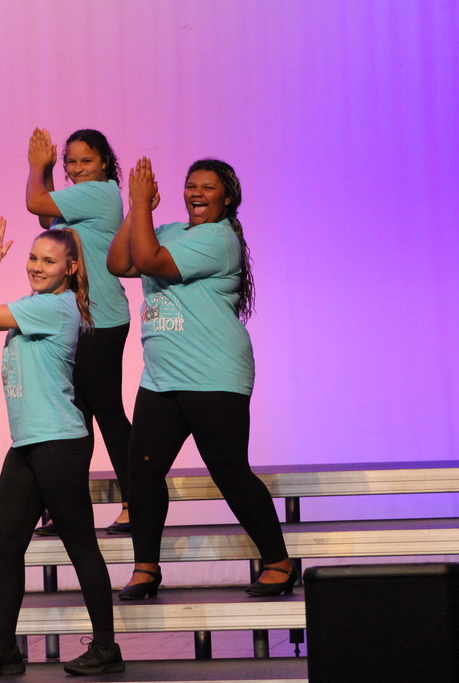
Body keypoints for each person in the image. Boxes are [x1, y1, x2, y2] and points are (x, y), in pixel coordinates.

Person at [106, 157, 296, 600]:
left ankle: (280, 563)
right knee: (143, 470)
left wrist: (137, 202)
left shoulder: (219, 238)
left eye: (208, 188)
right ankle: (146, 569)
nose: (197, 193)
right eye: (191, 185)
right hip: (162, 378)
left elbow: (149, 259)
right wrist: (139, 212)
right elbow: (120, 263)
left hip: (213, 375)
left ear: (227, 198)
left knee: (228, 471)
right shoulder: (171, 231)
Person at [0, 219, 123, 677]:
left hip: (58, 444)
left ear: (70, 269)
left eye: (48, 260)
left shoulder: (55, 308)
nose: (35, 266)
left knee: (80, 546)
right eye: (32, 258)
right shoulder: (34, 304)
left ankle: (107, 648)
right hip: (27, 446)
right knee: (7, 550)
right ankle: (7, 650)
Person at [25, 128, 133, 535]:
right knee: (75, 418)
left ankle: (136, 501)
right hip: (78, 319)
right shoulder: (79, 200)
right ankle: (65, 507)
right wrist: (51, 171)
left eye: (85, 160)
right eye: (70, 161)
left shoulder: (101, 192)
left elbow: (35, 201)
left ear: (104, 161)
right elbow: (46, 217)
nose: (77, 168)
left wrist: (38, 166)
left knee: (105, 412)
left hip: (101, 320)